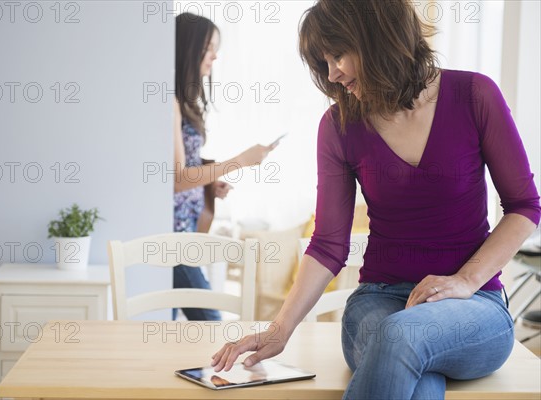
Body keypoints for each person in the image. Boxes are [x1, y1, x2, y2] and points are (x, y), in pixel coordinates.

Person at [210, 1, 541, 399]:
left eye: (338, 55)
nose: (332, 73)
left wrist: (465, 280)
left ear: (376, 36)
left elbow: (524, 205)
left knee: (405, 334)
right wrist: (279, 330)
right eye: (324, 62)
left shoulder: (474, 95)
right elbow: (329, 243)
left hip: (474, 304)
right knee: (413, 367)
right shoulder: (339, 126)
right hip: (379, 302)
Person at [173, 12, 277, 321]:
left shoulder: (181, 101)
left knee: (173, 323)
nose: (215, 56)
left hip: (185, 233)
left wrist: (207, 183)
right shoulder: (170, 103)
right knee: (211, 323)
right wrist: (240, 162)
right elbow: (177, 179)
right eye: (209, 47)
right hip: (173, 238)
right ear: (188, 48)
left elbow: (184, 169)